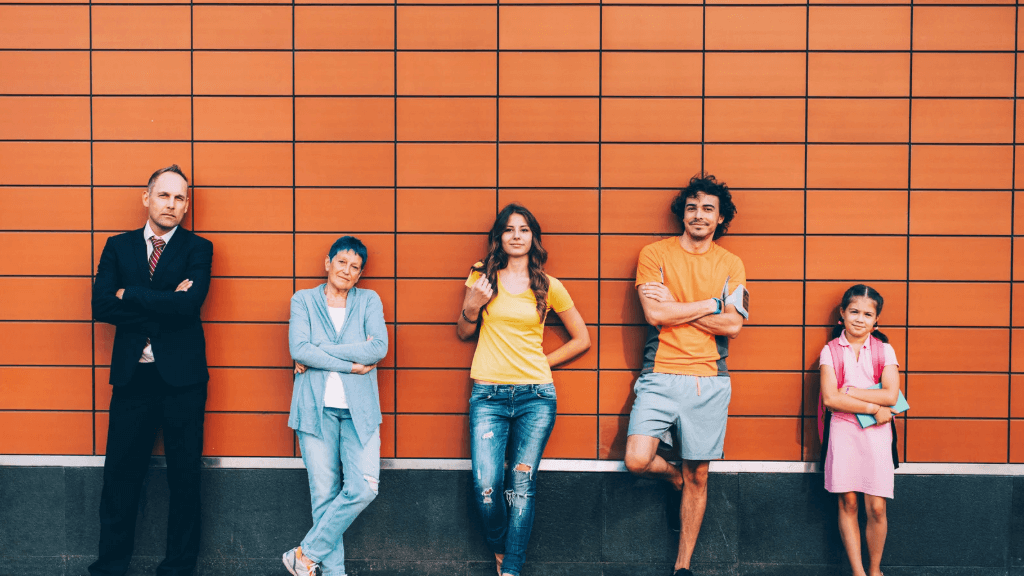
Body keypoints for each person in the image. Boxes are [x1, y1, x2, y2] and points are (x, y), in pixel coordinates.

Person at [90, 165, 213, 576]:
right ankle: (110, 567)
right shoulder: (118, 246)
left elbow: (188, 305)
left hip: (184, 381)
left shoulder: (198, 249)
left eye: (180, 198)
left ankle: (177, 568)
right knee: (120, 477)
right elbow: (101, 305)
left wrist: (130, 294)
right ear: (147, 198)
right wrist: (164, 302)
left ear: (187, 205)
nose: (171, 204)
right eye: (164, 195)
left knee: (184, 479)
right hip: (133, 378)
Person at [623, 173, 749, 576]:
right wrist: (711, 304)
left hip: (709, 379)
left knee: (699, 474)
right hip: (659, 374)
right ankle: (672, 478)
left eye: (708, 209)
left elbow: (733, 325)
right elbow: (654, 314)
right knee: (637, 460)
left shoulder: (731, 264)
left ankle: (682, 567)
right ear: (683, 214)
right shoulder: (654, 254)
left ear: (720, 218)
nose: (699, 215)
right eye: (692, 207)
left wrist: (677, 305)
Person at [457, 204, 591, 576]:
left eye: (524, 229)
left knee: (521, 485)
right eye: (509, 229)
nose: (516, 235)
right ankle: (503, 547)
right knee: (486, 486)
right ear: (499, 237)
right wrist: (473, 306)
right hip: (488, 396)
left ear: (534, 237)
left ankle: (511, 567)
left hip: (536, 397)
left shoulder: (548, 285)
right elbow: (464, 331)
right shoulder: (481, 277)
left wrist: (542, 363)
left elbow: (582, 339)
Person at [283, 235, 388, 576]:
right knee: (325, 496)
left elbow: (378, 348)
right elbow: (299, 349)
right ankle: (332, 572)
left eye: (355, 267)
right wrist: (351, 364)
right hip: (315, 411)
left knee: (364, 487)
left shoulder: (369, 300)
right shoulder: (303, 300)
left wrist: (320, 350)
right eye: (342, 262)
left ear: (360, 274)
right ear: (328, 263)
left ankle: (305, 554)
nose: (347, 270)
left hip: (360, 412)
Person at [818, 285, 900, 576]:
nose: (860, 319)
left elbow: (891, 395)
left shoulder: (884, 350)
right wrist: (872, 407)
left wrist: (850, 391)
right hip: (843, 431)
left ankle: (875, 570)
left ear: (876, 320)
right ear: (842, 313)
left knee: (877, 506)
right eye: (854, 311)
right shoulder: (830, 351)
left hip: (877, 434)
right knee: (849, 502)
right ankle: (858, 572)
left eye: (867, 314)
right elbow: (831, 399)